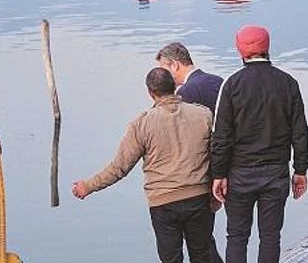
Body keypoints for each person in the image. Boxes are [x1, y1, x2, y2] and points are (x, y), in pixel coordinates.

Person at [72, 68, 214, 263]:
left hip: (163, 203)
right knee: (203, 256)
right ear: (175, 86)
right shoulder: (203, 115)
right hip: (198, 197)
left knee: (171, 259)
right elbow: (218, 155)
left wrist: (88, 186)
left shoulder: (142, 125)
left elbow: (120, 167)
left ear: (150, 92)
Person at [211, 25, 308, 263]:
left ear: (240, 51)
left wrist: (219, 174)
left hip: (239, 173)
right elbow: (300, 131)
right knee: (270, 236)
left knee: (236, 236)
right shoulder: (287, 83)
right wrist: (300, 170)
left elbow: (221, 136)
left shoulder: (232, 85)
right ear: (268, 47)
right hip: (276, 172)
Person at [156, 42, 225, 263]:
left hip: (202, 175)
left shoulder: (185, 94)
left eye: (164, 70)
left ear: (174, 65)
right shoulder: (219, 82)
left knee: (201, 243)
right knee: (209, 240)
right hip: (229, 164)